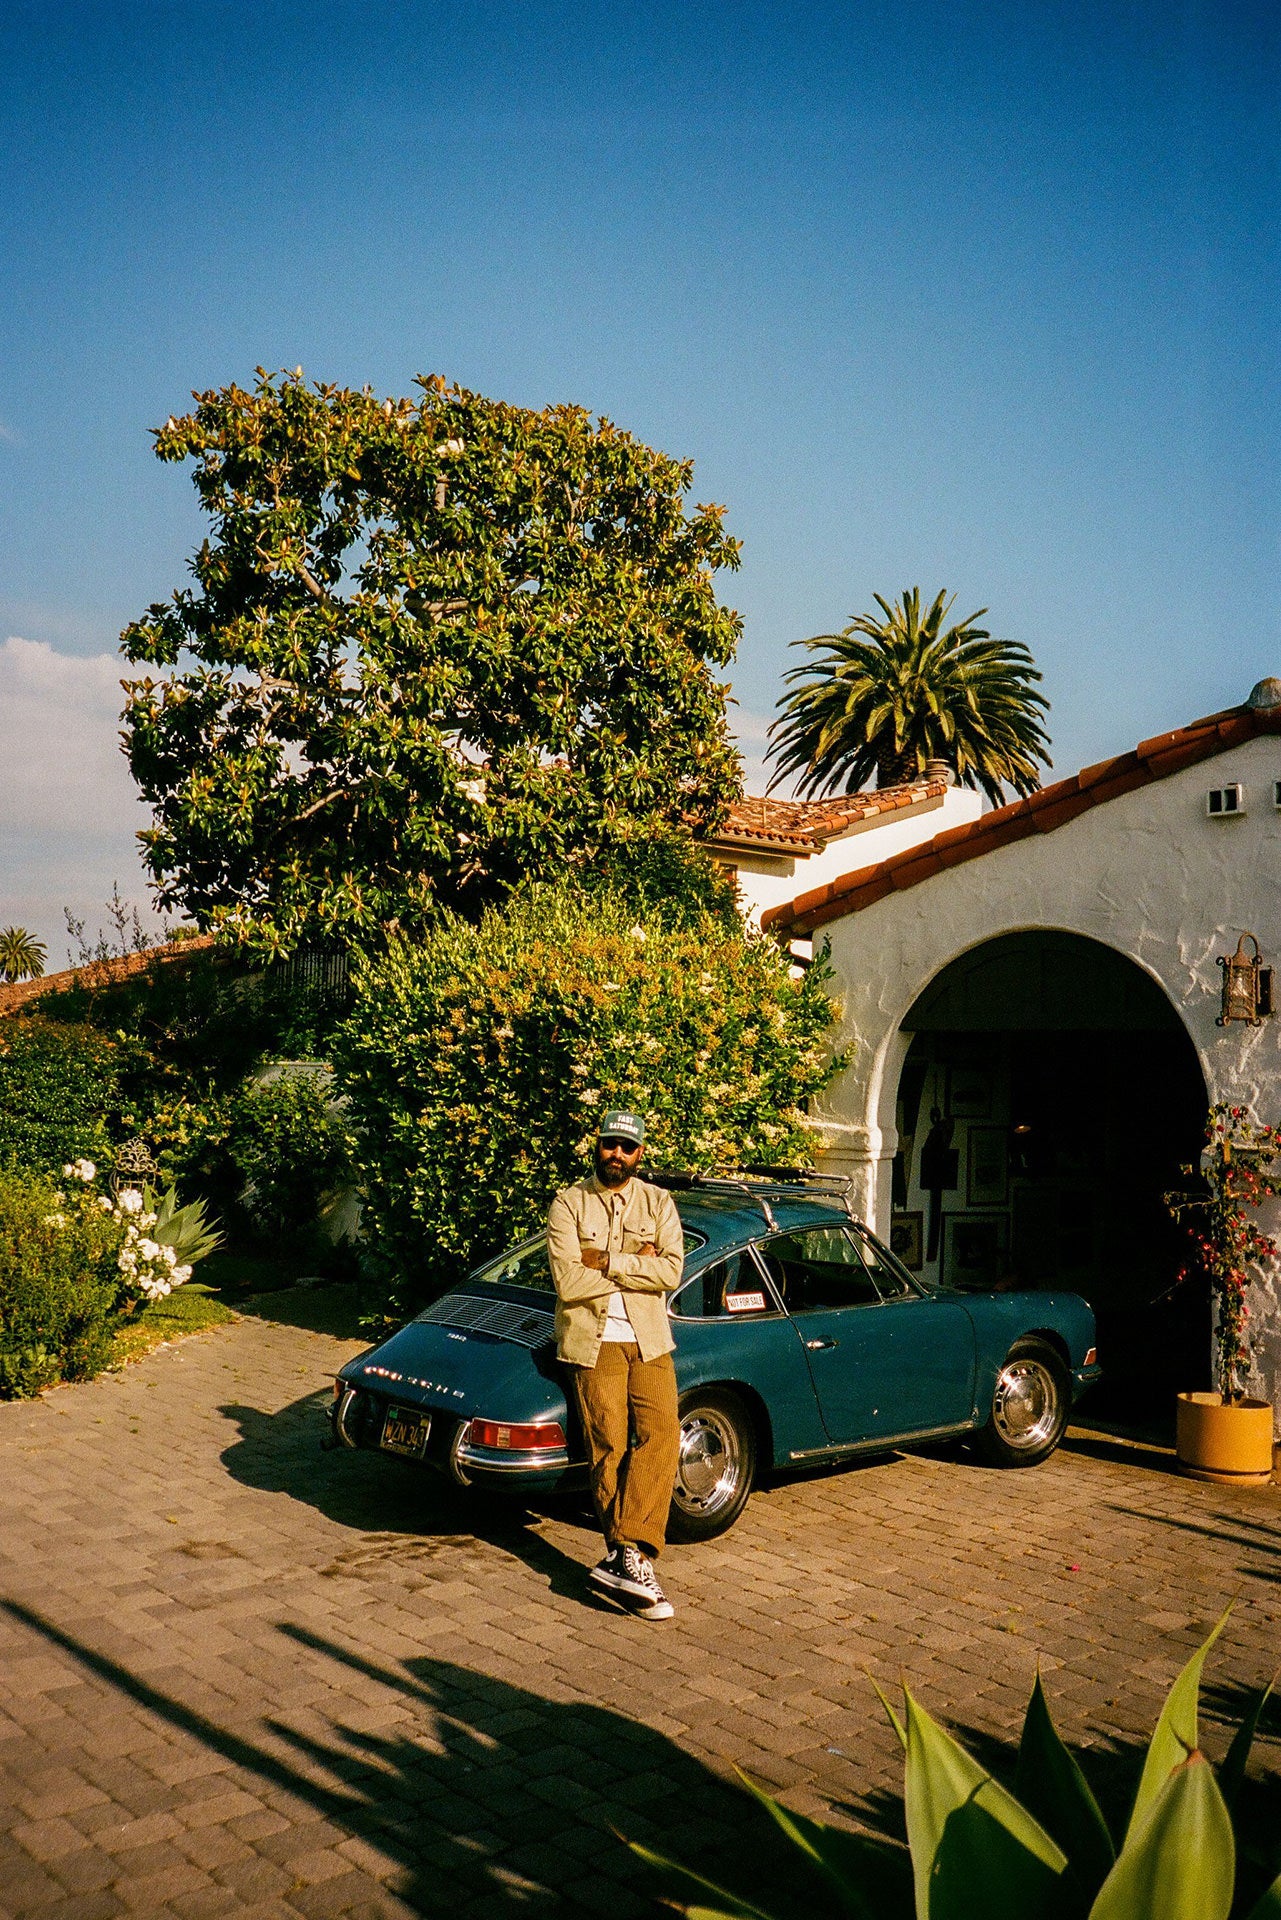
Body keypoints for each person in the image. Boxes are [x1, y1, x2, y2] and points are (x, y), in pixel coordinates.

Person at [546, 1110, 684, 1620]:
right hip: (593, 1341)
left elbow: (671, 1270)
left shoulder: (658, 1202)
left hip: (648, 1340)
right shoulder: (568, 1203)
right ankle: (634, 1561)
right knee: (611, 1444)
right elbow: (569, 1283)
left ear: (639, 1153)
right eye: (610, 1145)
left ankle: (626, 1553)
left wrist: (607, 1261)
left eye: (627, 1147)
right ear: (597, 1145)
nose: (617, 1155)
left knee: (663, 1435)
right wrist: (636, 1264)